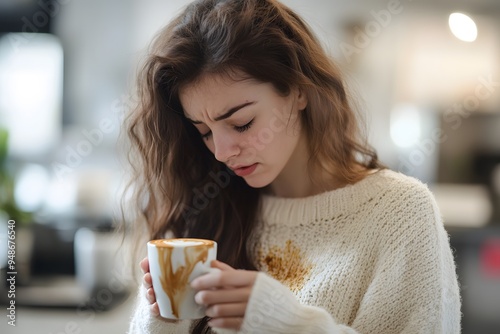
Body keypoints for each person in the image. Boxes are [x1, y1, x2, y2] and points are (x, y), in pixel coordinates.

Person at [125, 0, 461, 333]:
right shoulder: (205, 206)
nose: (222, 152)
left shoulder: (399, 213)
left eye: (242, 123)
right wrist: (162, 319)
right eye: (204, 132)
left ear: (298, 91)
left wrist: (289, 324)